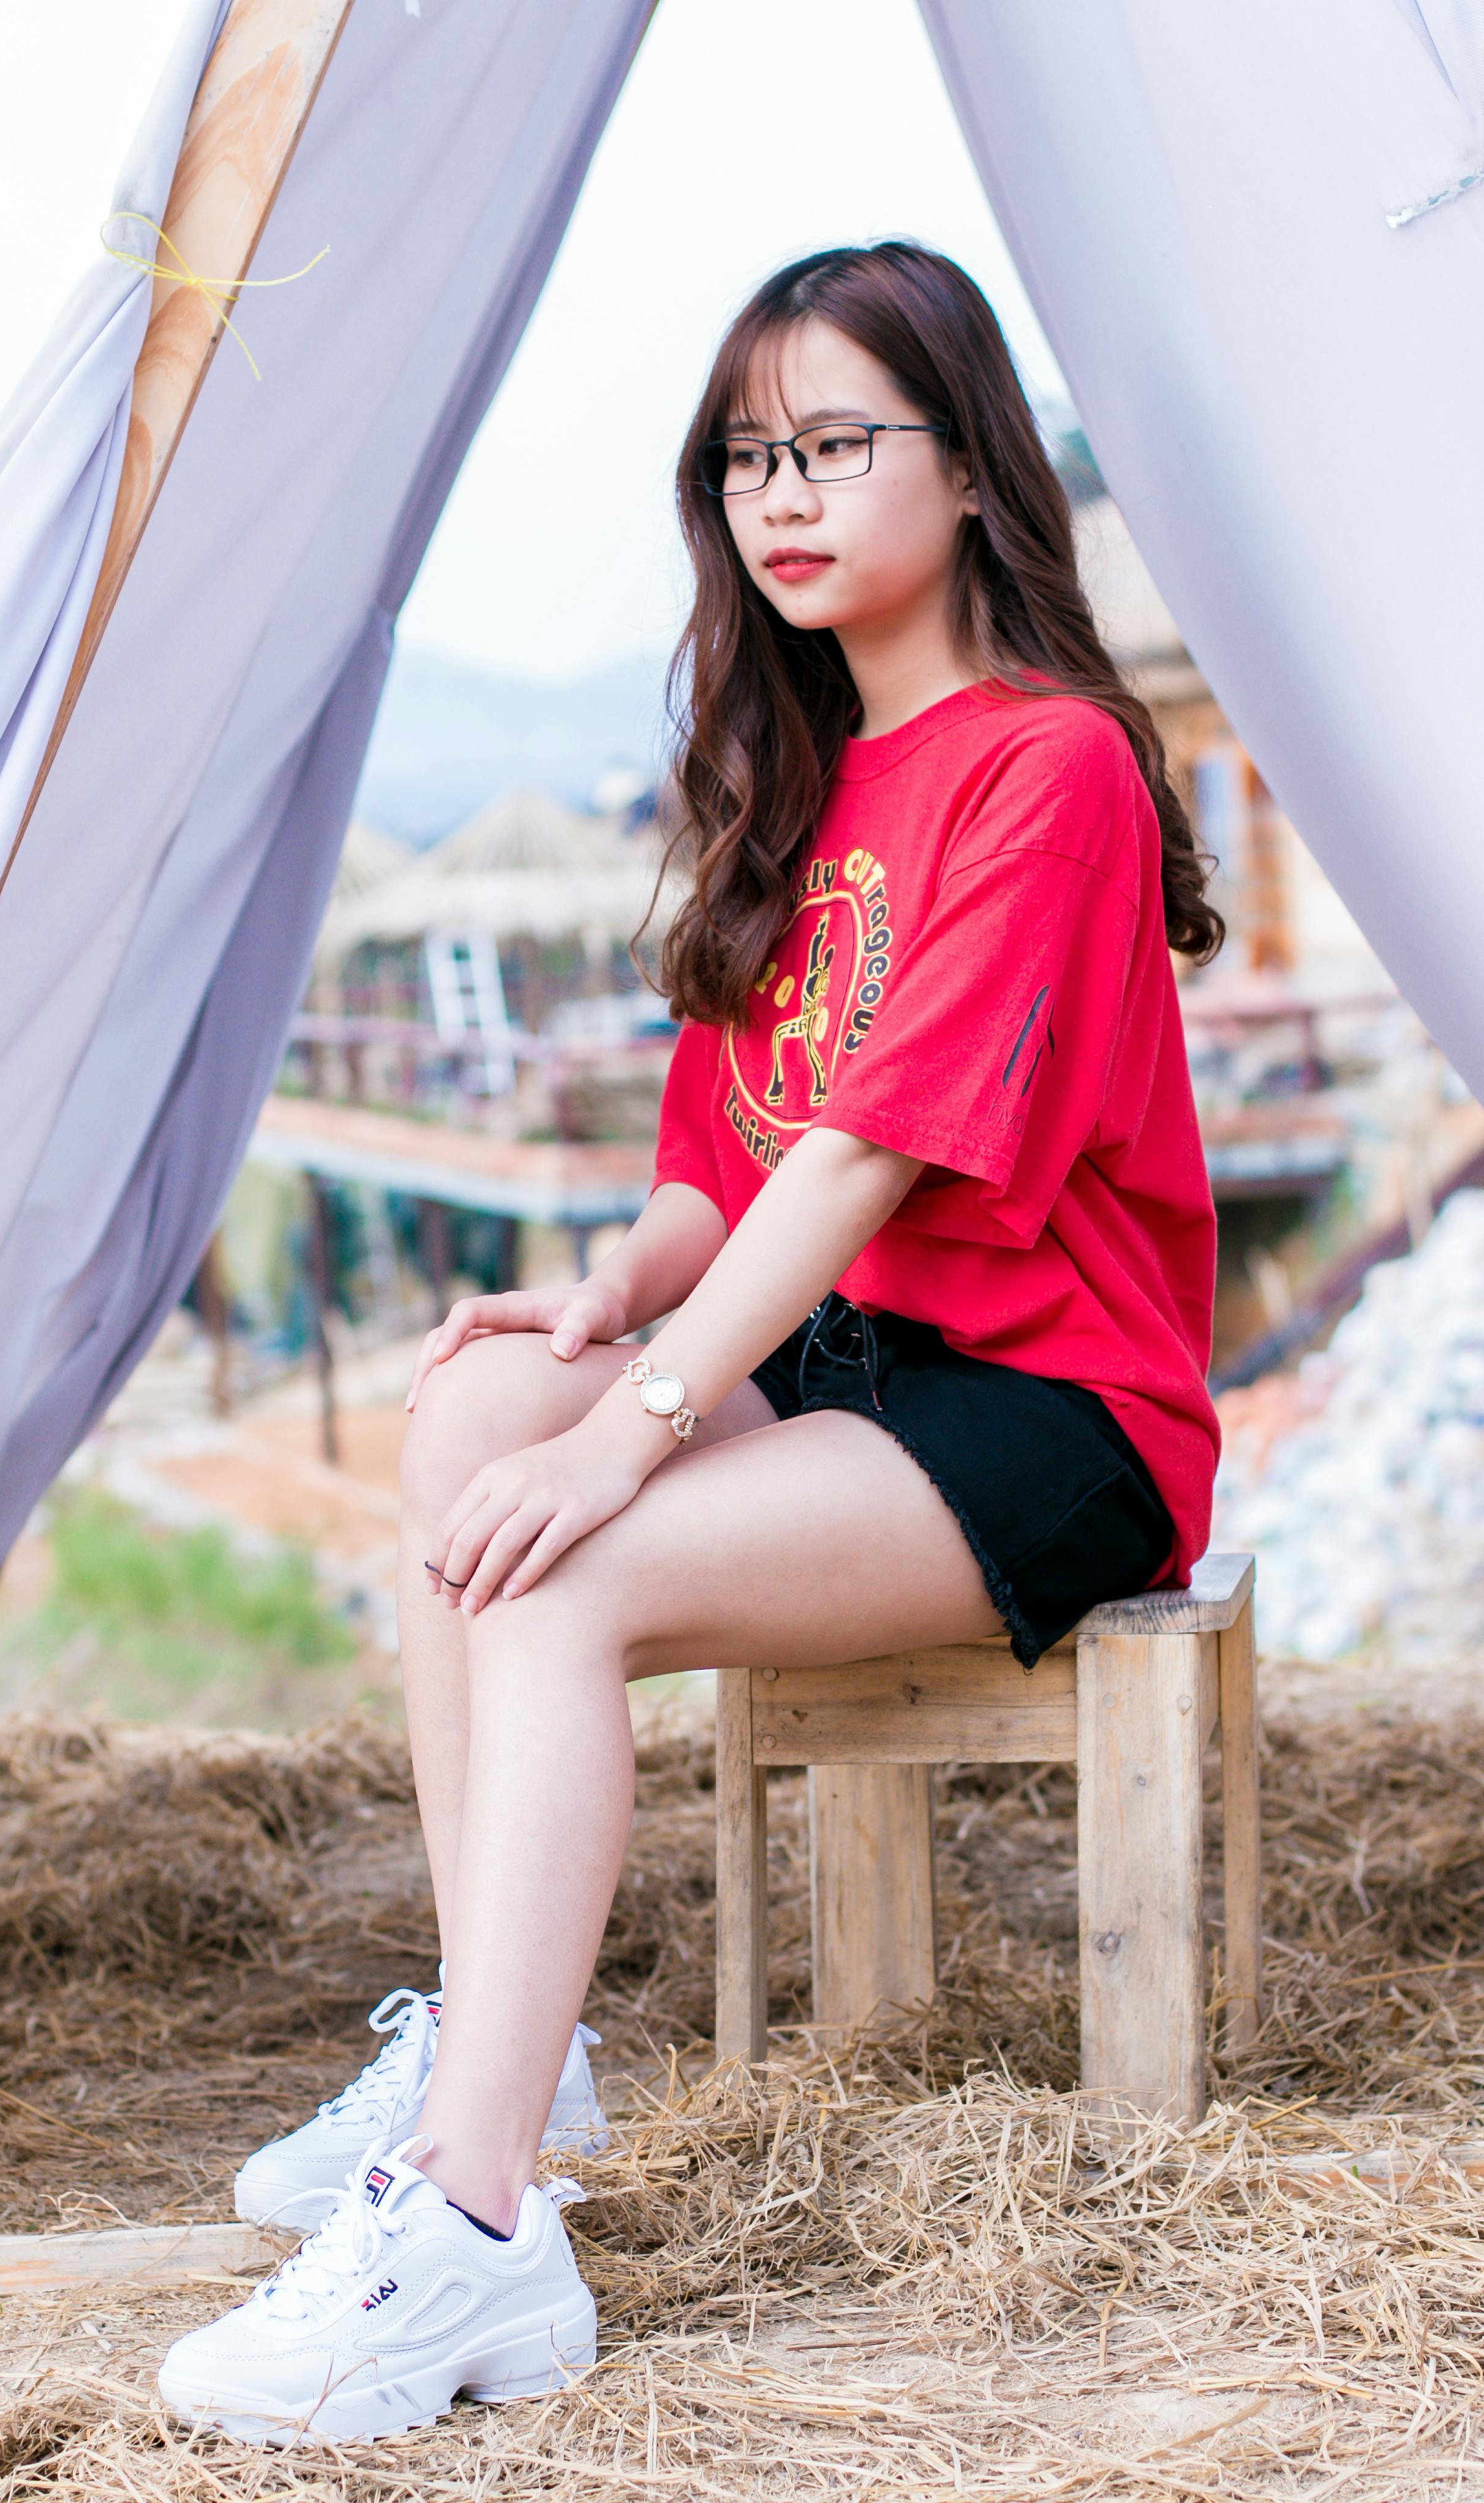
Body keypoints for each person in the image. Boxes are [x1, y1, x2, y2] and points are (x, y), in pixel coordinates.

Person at [159, 240, 1222, 2447]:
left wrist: (634, 1436)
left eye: (840, 442)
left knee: (573, 1550)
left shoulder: (1052, 771)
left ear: (971, 463)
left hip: (1050, 1402)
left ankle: (465, 2236)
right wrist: (599, 1309)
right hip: (839, 1366)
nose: (785, 495)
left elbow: (864, 1166)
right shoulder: (795, 772)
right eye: (750, 456)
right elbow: (722, 1173)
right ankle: (510, 2058)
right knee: (468, 1413)